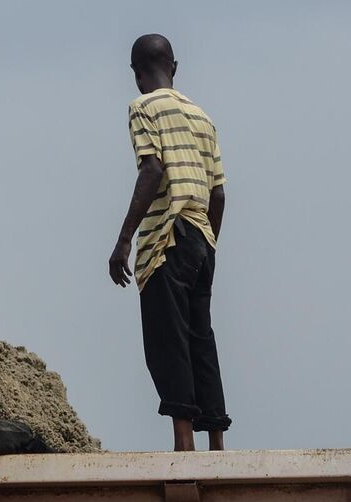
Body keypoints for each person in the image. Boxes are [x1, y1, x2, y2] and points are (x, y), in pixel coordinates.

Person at [109, 33, 231, 451]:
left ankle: (183, 446)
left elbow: (152, 170)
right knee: (201, 337)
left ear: (136, 73)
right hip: (202, 237)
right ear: (174, 67)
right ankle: (216, 443)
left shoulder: (142, 108)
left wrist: (124, 241)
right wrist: (210, 243)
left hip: (167, 240)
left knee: (168, 340)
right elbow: (218, 194)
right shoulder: (203, 117)